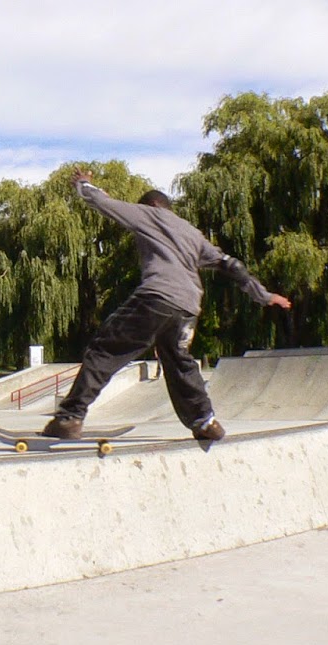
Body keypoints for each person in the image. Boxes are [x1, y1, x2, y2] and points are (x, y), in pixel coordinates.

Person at [45, 169, 291, 443]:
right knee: (180, 363)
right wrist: (264, 295)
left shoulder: (149, 214)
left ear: (151, 205)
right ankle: (204, 421)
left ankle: (70, 417)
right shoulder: (192, 232)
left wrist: (83, 183)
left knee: (106, 349)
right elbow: (230, 265)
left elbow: (101, 201)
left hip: (156, 297)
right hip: (187, 310)